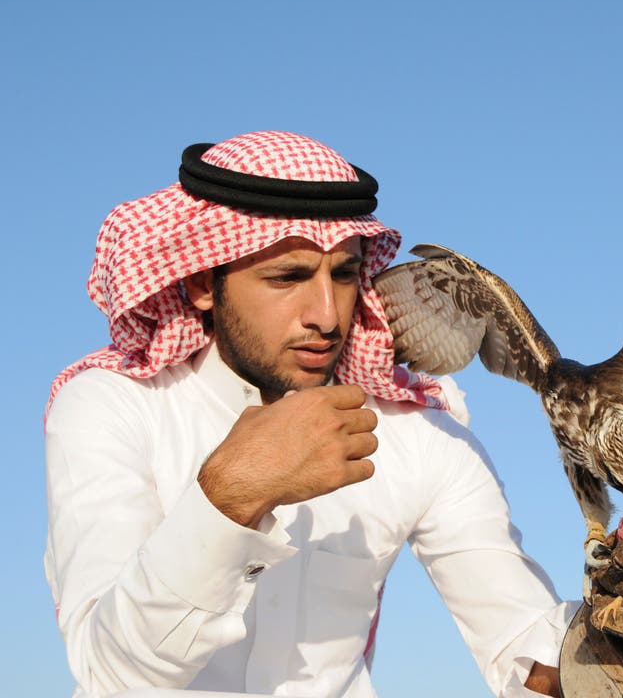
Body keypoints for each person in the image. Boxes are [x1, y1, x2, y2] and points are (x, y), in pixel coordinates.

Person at [44, 131, 576, 698]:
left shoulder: (418, 434)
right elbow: (110, 672)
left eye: (344, 275)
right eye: (288, 277)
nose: (327, 315)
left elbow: (524, 651)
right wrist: (229, 496)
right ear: (203, 282)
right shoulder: (114, 406)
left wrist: (608, 644)